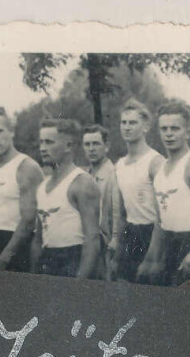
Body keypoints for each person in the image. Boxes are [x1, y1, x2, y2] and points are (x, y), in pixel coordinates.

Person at [139, 100, 190, 286]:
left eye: (175, 128)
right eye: (164, 129)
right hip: (168, 243)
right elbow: (159, 219)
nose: (169, 134)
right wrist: (151, 258)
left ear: (187, 132)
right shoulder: (158, 168)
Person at [0, 103, 43, 272]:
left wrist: (2, 262)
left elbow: (29, 221)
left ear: (11, 131)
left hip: (18, 251)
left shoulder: (25, 166)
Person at [30, 117, 100, 280]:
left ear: (68, 145)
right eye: (41, 142)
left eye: (49, 142)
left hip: (72, 261)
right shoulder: (42, 187)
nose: (42, 148)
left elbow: (92, 239)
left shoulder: (81, 183)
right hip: (47, 262)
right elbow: (39, 238)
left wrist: (79, 283)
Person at [111, 98, 164, 283]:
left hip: (153, 234)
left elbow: (162, 216)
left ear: (146, 127)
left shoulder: (155, 162)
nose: (127, 127)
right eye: (123, 122)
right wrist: (117, 242)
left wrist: (152, 256)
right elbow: (121, 212)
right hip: (130, 234)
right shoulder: (120, 165)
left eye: (132, 122)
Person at [82, 124, 116, 279]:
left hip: (106, 246)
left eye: (96, 144)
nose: (91, 149)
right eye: (87, 144)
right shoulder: (84, 176)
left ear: (106, 146)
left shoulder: (114, 175)